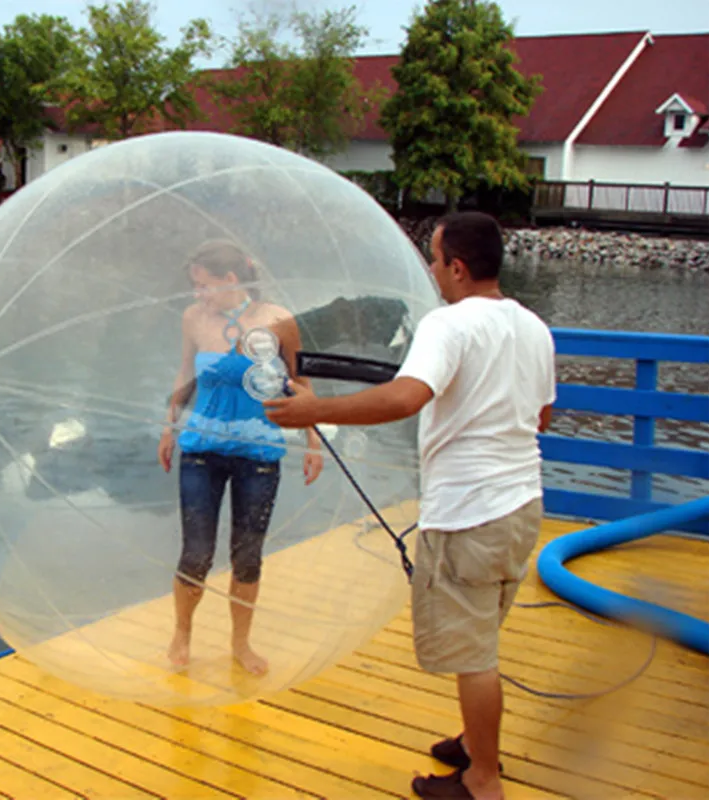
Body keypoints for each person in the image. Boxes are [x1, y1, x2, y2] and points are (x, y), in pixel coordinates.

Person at [263, 212, 555, 800]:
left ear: (458, 267)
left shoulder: (448, 325)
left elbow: (405, 397)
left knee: (473, 654)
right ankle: (476, 743)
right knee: (483, 634)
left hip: (471, 510)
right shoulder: (532, 327)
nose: (429, 269)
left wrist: (312, 412)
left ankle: (482, 781)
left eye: (435, 257)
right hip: (522, 501)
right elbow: (542, 415)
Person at [158, 239, 325, 676]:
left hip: (259, 449)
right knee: (195, 552)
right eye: (194, 286)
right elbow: (184, 373)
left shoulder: (278, 321)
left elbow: (299, 380)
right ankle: (182, 633)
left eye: (203, 284)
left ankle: (240, 644)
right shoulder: (193, 318)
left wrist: (313, 440)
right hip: (200, 448)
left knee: (247, 554)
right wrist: (168, 424)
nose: (198, 294)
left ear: (231, 279)